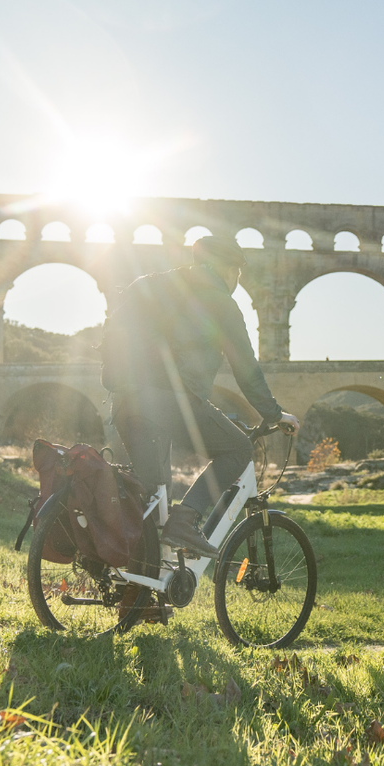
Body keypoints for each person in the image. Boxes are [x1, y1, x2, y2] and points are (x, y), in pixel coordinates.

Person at [99, 232, 299, 564]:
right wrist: (275, 413)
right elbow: (246, 369)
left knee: (152, 503)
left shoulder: (154, 284)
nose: (237, 279)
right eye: (237, 272)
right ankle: (187, 518)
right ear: (227, 268)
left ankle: (142, 594)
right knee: (238, 448)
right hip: (170, 402)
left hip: (124, 403)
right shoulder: (221, 303)